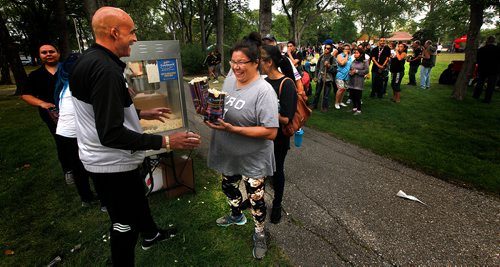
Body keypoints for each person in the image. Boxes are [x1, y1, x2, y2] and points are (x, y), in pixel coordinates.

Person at [69, 7, 201, 266]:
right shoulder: (104, 69)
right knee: (123, 223)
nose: (135, 39)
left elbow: (103, 108)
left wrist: (142, 111)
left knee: (138, 200)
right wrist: (166, 141)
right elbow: (111, 133)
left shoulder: (92, 60)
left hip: (109, 160)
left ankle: (151, 234)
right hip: (110, 163)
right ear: (114, 32)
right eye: (132, 32)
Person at [206, 32, 278, 260]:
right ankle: (236, 214)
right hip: (230, 154)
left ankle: (259, 233)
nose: (236, 67)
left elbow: (271, 132)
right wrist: (208, 111)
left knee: (256, 198)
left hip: (253, 157)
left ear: (256, 63)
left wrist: (233, 129)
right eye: (233, 62)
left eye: (241, 63)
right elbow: (223, 104)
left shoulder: (263, 91)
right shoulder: (229, 80)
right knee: (228, 186)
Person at [54, 53, 106, 210]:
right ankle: (105, 202)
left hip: (64, 132)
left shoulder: (63, 85)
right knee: (95, 165)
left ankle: (86, 198)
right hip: (77, 132)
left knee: (78, 167)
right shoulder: (80, 85)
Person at [20, 44, 75, 184]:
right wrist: (42, 103)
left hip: (74, 111)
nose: (48, 54)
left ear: (58, 53)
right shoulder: (35, 75)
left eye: (52, 51)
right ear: (40, 55)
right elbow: (26, 95)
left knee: (80, 139)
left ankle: (85, 167)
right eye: (44, 52)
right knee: (61, 141)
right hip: (52, 114)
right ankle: (69, 170)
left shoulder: (69, 69)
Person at [260, 45, 297, 224]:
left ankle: (276, 204)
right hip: (263, 136)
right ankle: (256, 199)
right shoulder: (263, 82)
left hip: (279, 138)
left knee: (277, 171)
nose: (257, 62)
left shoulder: (287, 84)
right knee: (262, 169)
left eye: (260, 59)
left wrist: (264, 113)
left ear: (269, 62)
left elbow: (286, 119)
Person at [472, 36, 500, 103]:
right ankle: (487, 99)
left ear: (487, 40)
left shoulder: (482, 49)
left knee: (480, 83)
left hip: (483, 68)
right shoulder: (498, 49)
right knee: (491, 85)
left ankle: (476, 95)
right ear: (494, 41)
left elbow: (477, 59)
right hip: (494, 70)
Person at [311, 42, 336, 112]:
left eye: (328, 48)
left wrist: (329, 66)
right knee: (317, 92)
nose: (326, 49)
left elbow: (334, 70)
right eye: (325, 48)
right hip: (320, 78)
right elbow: (317, 67)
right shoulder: (321, 56)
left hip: (327, 79)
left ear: (330, 50)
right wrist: (315, 76)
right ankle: (314, 105)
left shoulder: (332, 58)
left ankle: (325, 107)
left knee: (326, 94)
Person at [348, 48, 370, 115]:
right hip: (352, 80)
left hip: (359, 81)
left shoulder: (365, 62)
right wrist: (350, 72)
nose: (355, 54)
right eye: (355, 53)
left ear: (361, 54)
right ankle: (354, 108)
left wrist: (357, 71)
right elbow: (351, 68)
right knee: (352, 95)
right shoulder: (353, 61)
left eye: (357, 53)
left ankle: (359, 110)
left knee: (358, 96)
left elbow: (366, 71)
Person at [334, 44, 353, 109]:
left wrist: (351, 70)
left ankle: (340, 102)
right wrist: (346, 55)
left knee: (344, 89)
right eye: (345, 49)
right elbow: (342, 63)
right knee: (340, 89)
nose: (347, 50)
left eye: (348, 49)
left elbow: (350, 65)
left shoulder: (350, 57)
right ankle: (336, 103)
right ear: (343, 49)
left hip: (347, 75)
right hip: (340, 75)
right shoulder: (339, 55)